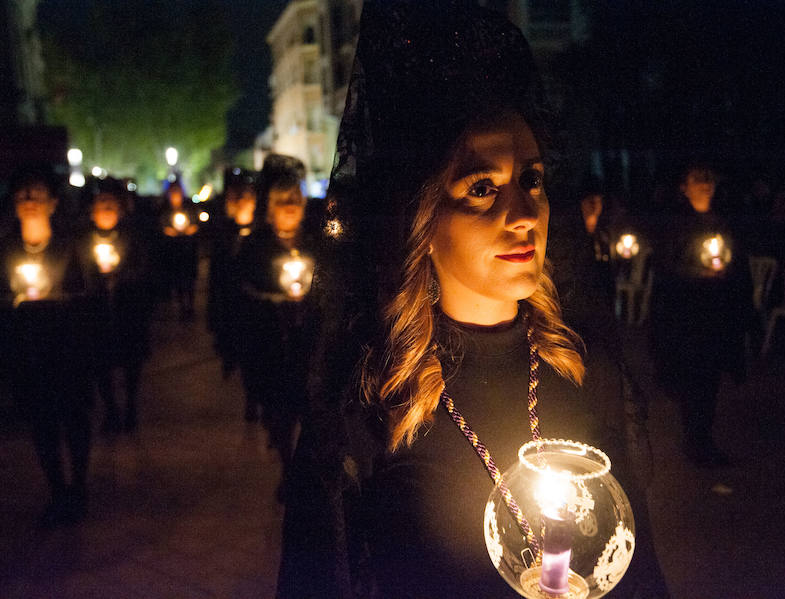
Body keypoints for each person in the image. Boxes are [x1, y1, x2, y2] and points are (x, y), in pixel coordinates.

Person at [277, 3, 668, 597]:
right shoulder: (371, 401)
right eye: (482, 188)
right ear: (423, 219)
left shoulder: (585, 373)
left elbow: (639, 573)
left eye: (531, 180)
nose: (523, 216)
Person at [0, 169, 93, 526]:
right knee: (42, 421)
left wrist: (55, 299)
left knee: (74, 416)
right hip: (26, 349)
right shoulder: (6, 248)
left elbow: (89, 292)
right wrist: (17, 300)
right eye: (23, 195)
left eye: (37, 194)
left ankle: (79, 485)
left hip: (67, 345)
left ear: (53, 203)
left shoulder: (70, 246)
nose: (29, 202)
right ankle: (57, 489)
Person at [648, 163, 754, 467]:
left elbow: (739, 266)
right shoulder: (676, 225)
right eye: (698, 179)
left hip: (718, 315)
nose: (705, 184)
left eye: (709, 178)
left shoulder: (723, 223)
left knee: (710, 381)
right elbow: (665, 268)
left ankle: (702, 438)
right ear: (685, 187)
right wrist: (701, 273)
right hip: (687, 317)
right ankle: (696, 441)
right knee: (693, 379)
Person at [236, 165, 319, 498]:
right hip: (270, 339)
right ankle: (288, 468)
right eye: (283, 200)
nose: (290, 206)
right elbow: (243, 287)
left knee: (309, 408)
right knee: (280, 409)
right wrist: (276, 299)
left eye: (295, 200)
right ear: (270, 208)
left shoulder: (316, 243)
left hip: (309, 339)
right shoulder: (256, 245)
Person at [77, 177, 151, 433]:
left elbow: (143, 268)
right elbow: (79, 273)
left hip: (127, 308)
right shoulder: (83, 241)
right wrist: (96, 278)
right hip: (96, 311)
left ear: (120, 210)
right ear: (92, 211)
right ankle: (110, 408)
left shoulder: (132, 238)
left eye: (111, 204)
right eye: (101, 203)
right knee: (101, 362)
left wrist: (121, 276)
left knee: (131, 360)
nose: (106, 208)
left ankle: (131, 406)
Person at [207, 171, 256, 386]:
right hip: (228, 298)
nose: (243, 203)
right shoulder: (223, 232)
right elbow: (216, 272)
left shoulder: (260, 233)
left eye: (247, 198)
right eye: (238, 198)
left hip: (251, 301)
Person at [158, 179, 199, 319]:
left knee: (190, 280)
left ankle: (191, 306)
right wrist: (169, 231)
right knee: (178, 279)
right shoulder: (165, 210)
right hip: (174, 250)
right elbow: (161, 226)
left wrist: (190, 230)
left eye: (178, 192)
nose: (175, 195)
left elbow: (196, 223)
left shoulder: (189, 208)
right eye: (173, 192)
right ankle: (182, 307)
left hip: (188, 248)